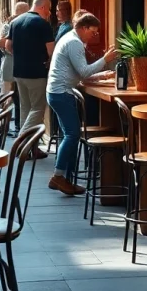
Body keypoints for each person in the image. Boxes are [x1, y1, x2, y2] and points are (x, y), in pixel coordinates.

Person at [46, 13, 117, 195]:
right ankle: (58, 176)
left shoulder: (69, 38)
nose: (93, 36)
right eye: (93, 32)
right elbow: (84, 72)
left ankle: (67, 179)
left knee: (68, 135)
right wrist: (105, 60)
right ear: (84, 28)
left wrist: (102, 75)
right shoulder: (75, 43)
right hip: (61, 93)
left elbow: (79, 73)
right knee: (72, 135)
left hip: (57, 91)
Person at [8, 0, 55, 159]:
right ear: (42, 7)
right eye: (48, 9)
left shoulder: (16, 22)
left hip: (19, 72)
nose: (49, 13)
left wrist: (21, 56)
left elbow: (8, 46)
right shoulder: (42, 24)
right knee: (37, 109)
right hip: (36, 73)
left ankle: (32, 148)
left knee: (25, 109)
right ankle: (21, 145)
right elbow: (51, 51)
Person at [0, 2, 30, 136]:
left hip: (20, 66)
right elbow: (0, 42)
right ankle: (3, 125)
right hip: (10, 65)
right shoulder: (9, 26)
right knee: (7, 97)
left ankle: (18, 126)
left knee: (18, 98)